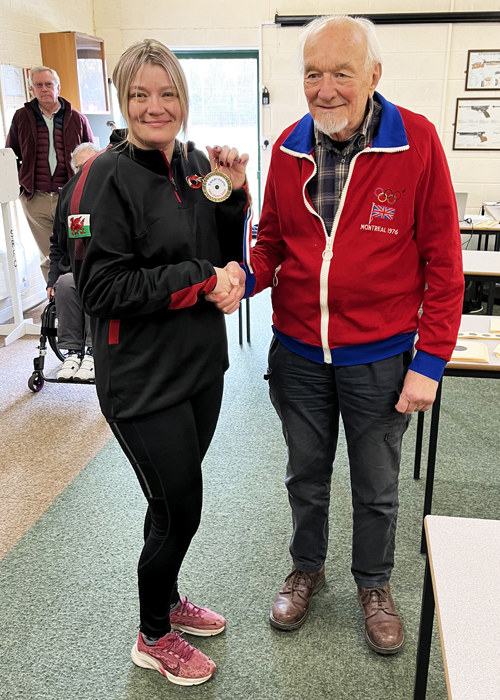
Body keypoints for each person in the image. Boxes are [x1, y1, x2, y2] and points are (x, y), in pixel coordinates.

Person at [216, 15, 464, 655]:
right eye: (312, 74)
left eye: (341, 74)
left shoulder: (419, 144)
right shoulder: (289, 147)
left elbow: (444, 264)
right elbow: (271, 244)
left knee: (377, 485)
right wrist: (245, 278)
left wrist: (430, 360)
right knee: (306, 473)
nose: (325, 89)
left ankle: (374, 584)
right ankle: (307, 567)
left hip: (381, 358)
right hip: (298, 352)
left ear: (374, 76)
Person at [53, 39, 250, 685]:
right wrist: (202, 276)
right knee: (182, 509)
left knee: (167, 503)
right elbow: (103, 290)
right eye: (140, 94)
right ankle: (153, 635)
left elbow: (222, 245)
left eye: (167, 93)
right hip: (140, 381)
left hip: (199, 368)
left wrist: (235, 201)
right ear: (122, 99)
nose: (154, 106)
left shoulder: (194, 165)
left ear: (183, 98)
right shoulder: (100, 178)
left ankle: (165, 600)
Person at [6, 66, 94, 281]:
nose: (44, 89)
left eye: (48, 84)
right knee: (49, 255)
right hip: (36, 199)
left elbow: (93, 156)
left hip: (72, 199)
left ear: (58, 87)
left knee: (80, 249)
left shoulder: (77, 118)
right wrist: (21, 189)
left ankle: (81, 299)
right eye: (39, 85)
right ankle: (56, 303)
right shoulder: (21, 118)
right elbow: (10, 155)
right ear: (32, 89)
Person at [47, 142, 100, 381]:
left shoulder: (108, 193)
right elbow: (57, 244)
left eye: (90, 165)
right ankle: (72, 352)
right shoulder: (67, 198)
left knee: (95, 283)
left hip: (103, 268)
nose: (85, 172)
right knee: (66, 284)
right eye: (80, 167)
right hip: (75, 269)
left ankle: (92, 351)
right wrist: (51, 280)